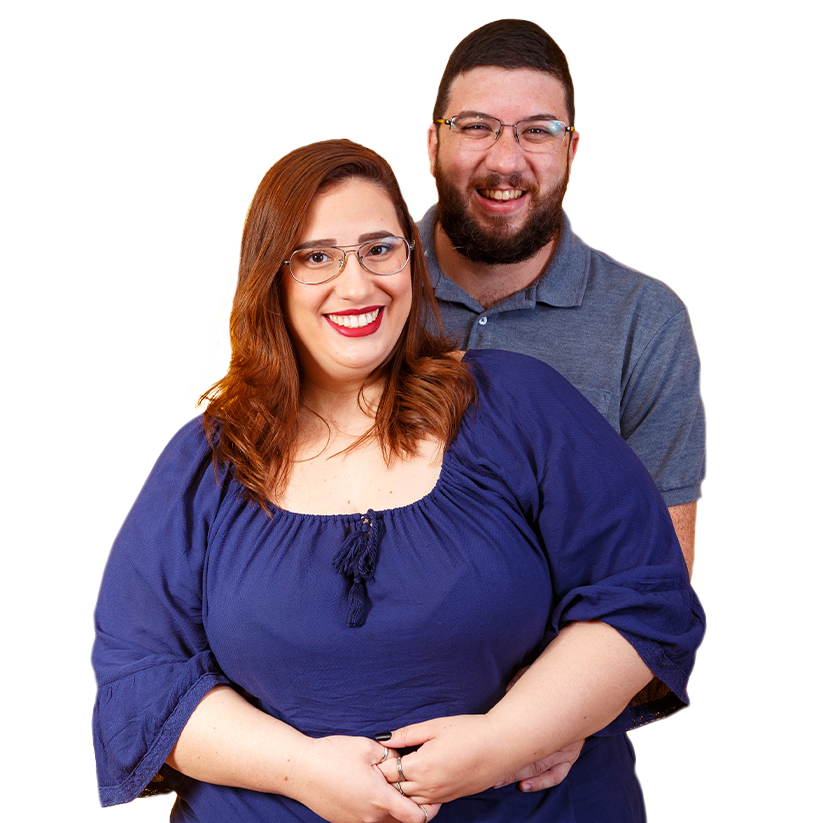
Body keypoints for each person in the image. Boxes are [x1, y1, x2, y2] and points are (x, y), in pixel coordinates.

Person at [91, 138, 706, 823]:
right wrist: (302, 772)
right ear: (271, 277)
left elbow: (641, 595)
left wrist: (507, 740)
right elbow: (141, 678)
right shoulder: (205, 463)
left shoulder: (519, 405)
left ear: (411, 261)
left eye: (379, 249)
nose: (357, 286)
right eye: (316, 257)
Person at [420, 18, 707, 577]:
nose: (505, 162)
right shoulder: (359, 294)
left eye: (537, 131)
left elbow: (657, 585)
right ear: (434, 142)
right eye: (476, 127)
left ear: (571, 148)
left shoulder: (646, 322)